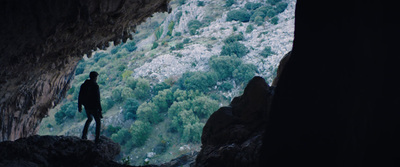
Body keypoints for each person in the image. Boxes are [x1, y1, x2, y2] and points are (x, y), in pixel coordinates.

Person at [78, 71, 103, 143]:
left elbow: (80, 96)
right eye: (96, 77)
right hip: (94, 107)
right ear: (94, 77)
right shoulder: (95, 86)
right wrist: (100, 110)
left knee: (89, 119)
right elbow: (97, 98)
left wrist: (79, 106)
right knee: (98, 122)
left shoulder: (83, 85)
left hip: (87, 106)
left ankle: (84, 135)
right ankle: (97, 139)